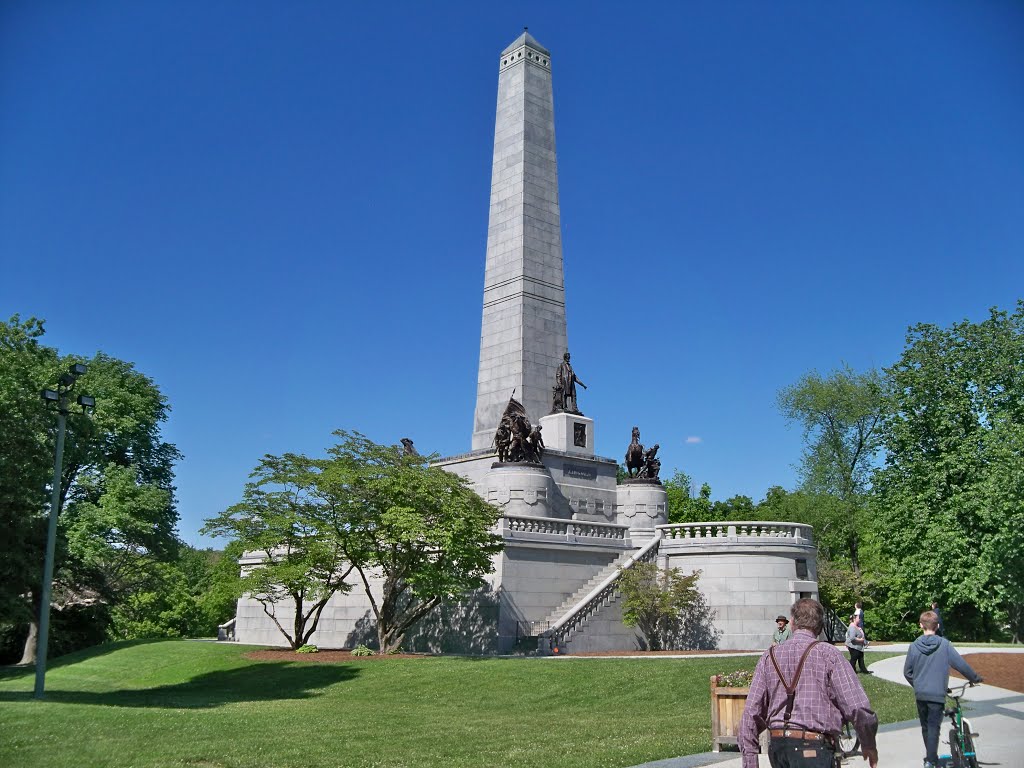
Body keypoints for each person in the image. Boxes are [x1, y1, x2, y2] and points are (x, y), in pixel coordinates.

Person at [740, 598, 879, 768]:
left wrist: (750, 762)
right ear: (820, 627)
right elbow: (858, 707)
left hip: (779, 747)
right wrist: (869, 743)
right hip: (814, 748)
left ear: (792, 623)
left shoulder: (770, 657)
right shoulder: (829, 654)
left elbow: (750, 714)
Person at [904, 610, 981, 768]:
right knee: (933, 728)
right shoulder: (945, 645)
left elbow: (907, 672)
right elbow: (961, 665)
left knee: (926, 727)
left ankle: (930, 758)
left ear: (920, 625)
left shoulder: (913, 646)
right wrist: (974, 677)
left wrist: (918, 684)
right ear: (937, 626)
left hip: (921, 694)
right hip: (937, 694)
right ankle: (931, 761)